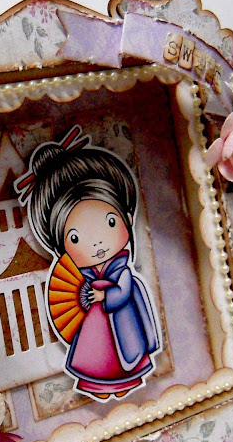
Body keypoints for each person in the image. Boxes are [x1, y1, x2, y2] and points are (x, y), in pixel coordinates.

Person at [15, 126, 161, 401]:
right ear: (61, 249)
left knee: (122, 353)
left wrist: (106, 296)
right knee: (96, 354)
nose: (97, 243)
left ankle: (123, 382)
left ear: (128, 218)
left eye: (110, 222)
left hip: (121, 316)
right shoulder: (81, 276)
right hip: (95, 320)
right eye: (75, 237)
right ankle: (101, 386)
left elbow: (124, 291)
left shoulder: (121, 269)